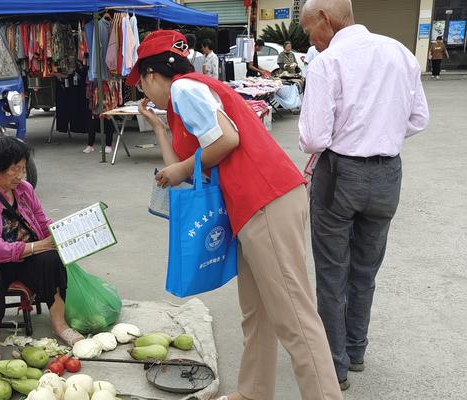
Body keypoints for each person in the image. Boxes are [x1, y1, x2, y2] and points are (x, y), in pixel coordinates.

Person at [129, 30, 342, 400]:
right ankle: (252, 393)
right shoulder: (186, 98)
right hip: (254, 206)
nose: (143, 93)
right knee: (257, 313)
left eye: (141, 84)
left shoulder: (184, 90)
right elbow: (176, 170)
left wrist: (183, 168)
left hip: (265, 200)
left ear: (150, 75)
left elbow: (227, 140)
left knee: (294, 317)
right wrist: (160, 130)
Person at [299, 0, 429, 391]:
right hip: (388, 173)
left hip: (340, 174)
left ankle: (334, 366)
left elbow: (314, 138)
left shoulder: (328, 61)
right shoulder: (400, 52)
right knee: (365, 271)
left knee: (331, 272)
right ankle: (355, 351)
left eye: (309, 31)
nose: (312, 40)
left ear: (325, 18)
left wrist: (353, 138)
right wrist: (380, 134)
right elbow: (419, 118)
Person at [0, 137, 84, 381]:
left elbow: (42, 223)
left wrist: (63, 230)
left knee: (51, 259)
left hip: (23, 255)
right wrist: (39, 245)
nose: (21, 175)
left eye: (23, 168)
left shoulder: (25, 190)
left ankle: (60, 326)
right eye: (15, 169)